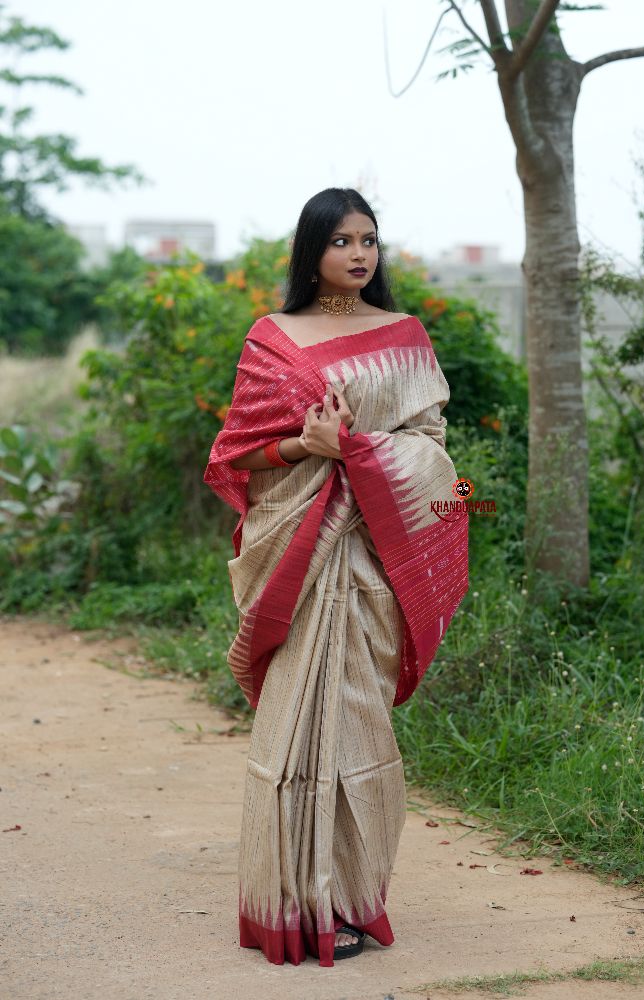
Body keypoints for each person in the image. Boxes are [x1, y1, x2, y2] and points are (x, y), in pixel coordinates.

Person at [203, 187, 468, 967]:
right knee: (292, 730)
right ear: (312, 250)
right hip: (305, 562)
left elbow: (436, 451)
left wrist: (371, 455)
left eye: (370, 240)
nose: (359, 255)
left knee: (360, 728)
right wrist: (307, 449)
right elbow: (233, 455)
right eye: (342, 241)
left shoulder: (406, 336)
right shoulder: (273, 339)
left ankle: (350, 900)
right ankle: (285, 905)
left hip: (376, 561)